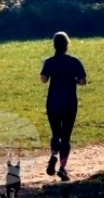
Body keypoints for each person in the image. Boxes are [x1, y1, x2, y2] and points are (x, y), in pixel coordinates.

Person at [40, 31, 87, 182]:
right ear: (67, 45)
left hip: (53, 102)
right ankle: (62, 167)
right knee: (66, 136)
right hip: (69, 102)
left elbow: (43, 79)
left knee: (55, 133)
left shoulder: (50, 61)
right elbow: (82, 81)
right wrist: (72, 79)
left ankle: (53, 155)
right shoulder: (74, 62)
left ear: (54, 45)